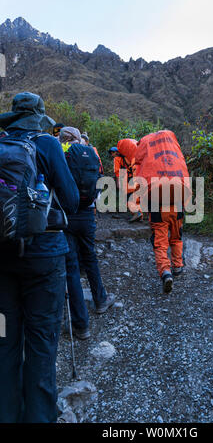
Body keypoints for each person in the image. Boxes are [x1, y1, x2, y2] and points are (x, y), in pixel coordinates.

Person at [0, 93, 79, 423]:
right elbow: (72, 201)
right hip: (45, 259)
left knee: (5, 344)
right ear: (40, 117)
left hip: (2, 259)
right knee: (42, 345)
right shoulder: (47, 144)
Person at [60, 127, 116, 340]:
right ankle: (100, 301)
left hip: (66, 216)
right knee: (90, 257)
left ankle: (81, 324)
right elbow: (99, 185)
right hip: (87, 215)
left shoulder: (61, 154)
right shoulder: (91, 154)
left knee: (71, 267)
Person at [135, 130, 191, 293]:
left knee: (160, 241)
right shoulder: (175, 156)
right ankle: (178, 266)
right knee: (176, 236)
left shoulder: (148, 160)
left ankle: (165, 272)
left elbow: (140, 185)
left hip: (157, 204)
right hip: (178, 201)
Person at [117, 139, 143, 223]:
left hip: (133, 179)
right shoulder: (137, 156)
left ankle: (136, 213)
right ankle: (140, 214)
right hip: (140, 178)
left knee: (130, 196)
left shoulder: (127, 158)